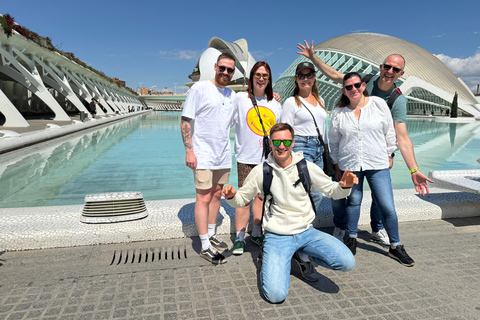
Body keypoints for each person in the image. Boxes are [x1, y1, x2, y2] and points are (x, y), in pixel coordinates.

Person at [297, 40, 433, 246]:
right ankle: (344, 228)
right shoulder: (364, 82)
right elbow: (335, 76)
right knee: (348, 198)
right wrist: (313, 58)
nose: (389, 71)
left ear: (401, 74)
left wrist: (411, 168)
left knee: (381, 198)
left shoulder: (396, 100)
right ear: (381, 67)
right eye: (387, 66)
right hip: (351, 155)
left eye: (395, 69)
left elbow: (401, 136)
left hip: (376, 154)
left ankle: (377, 228)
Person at [222, 123, 357, 303]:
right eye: (277, 142)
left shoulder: (305, 167)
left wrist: (345, 186)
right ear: (270, 143)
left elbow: (331, 190)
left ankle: (297, 255)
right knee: (276, 296)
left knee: (346, 262)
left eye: (286, 141)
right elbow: (242, 199)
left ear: (293, 143)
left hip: (306, 232)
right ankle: (271, 258)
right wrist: (232, 196)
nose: (282, 146)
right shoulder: (261, 171)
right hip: (277, 236)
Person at [328, 72, 415, 267]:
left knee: (386, 205)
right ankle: (351, 238)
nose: (354, 89)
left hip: (377, 163)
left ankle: (395, 245)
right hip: (350, 163)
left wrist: (390, 154)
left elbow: (389, 132)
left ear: (363, 85)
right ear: (344, 90)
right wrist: (337, 165)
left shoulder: (378, 104)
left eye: (357, 85)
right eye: (349, 87)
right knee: (354, 201)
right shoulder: (339, 112)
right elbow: (333, 141)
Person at [180, 52, 237, 264]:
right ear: (215, 66)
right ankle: (204, 245)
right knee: (203, 197)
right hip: (203, 154)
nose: (225, 72)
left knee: (216, 195)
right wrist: (189, 150)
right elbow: (186, 120)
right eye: (222, 68)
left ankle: (211, 233)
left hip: (222, 154)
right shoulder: (200, 88)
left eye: (230, 70)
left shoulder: (231, 95)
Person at [280, 61, 329, 279]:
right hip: (301, 147)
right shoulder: (291, 102)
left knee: (313, 196)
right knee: (310, 195)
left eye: (309, 75)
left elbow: (324, 130)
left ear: (314, 77)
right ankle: (301, 252)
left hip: (319, 149)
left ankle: (300, 240)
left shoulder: (320, 100)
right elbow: (285, 131)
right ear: (296, 79)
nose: (306, 79)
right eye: (302, 75)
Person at [231, 61, 282, 255]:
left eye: (265, 76)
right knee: (244, 198)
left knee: (261, 197)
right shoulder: (240, 98)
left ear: (269, 80)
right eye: (258, 75)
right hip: (246, 157)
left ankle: (257, 232)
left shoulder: (275, 102)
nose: (261, 79)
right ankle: (239, 237)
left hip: (267, 159)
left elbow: (280, 132)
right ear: (251, 77)